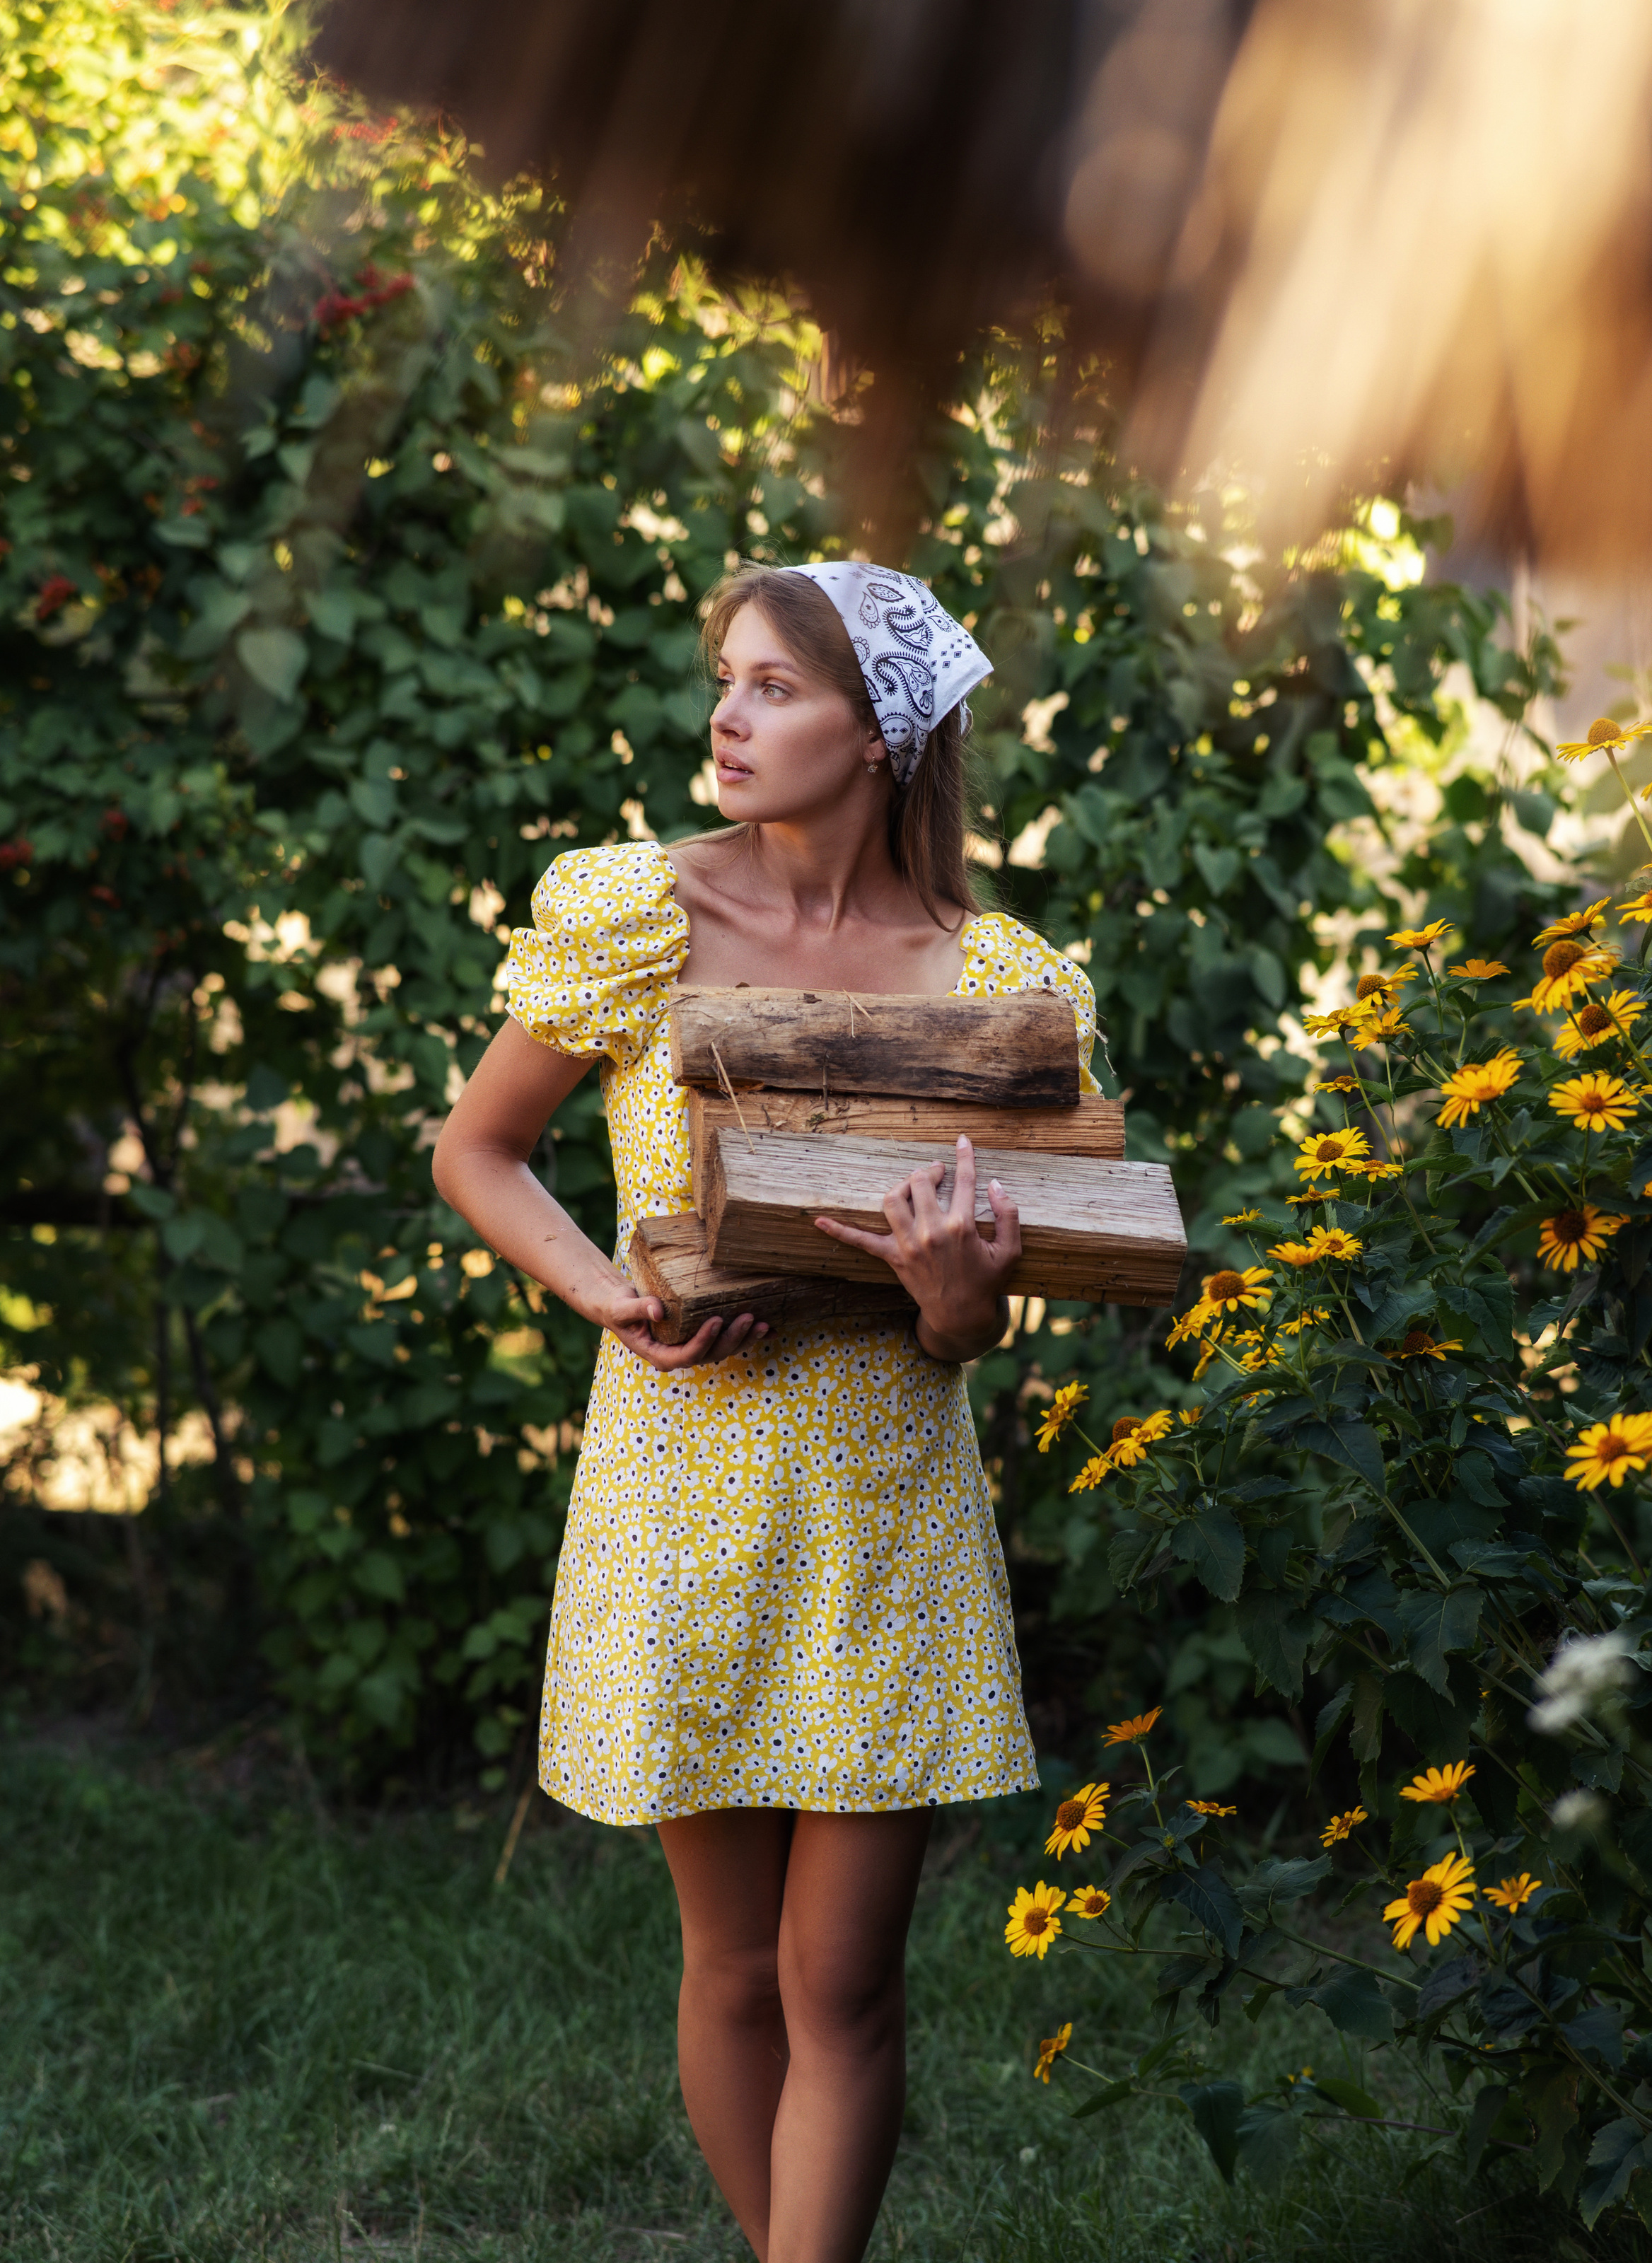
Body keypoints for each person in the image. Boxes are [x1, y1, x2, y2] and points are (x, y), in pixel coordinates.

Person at [432, 560, 1101, 2262]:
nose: (725, 718)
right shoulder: (632, 913)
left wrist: (961, 1308)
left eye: (774, 689)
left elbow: (993, 1294)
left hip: (884, 1508)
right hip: (682, 1491)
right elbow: (477, 1146)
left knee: (848, 1979)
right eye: (724, 680)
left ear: (880, 733)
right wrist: (598, 1286)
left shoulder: (995, 974)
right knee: (731, 1965)